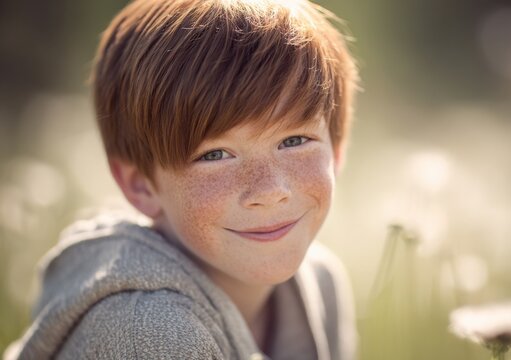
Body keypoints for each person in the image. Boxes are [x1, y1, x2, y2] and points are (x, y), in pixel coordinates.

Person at [4, 0, 359, 358]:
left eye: (294, 141)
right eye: (215, 155)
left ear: (337, 149)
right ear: (140, 184)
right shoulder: (147, 333)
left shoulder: (319, 283)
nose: (269, 191)